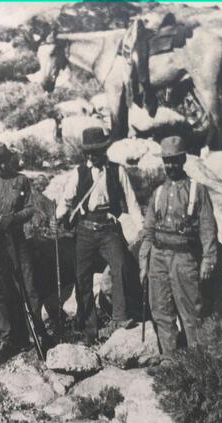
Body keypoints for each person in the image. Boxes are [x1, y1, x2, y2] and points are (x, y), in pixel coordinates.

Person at [55, 127, 142, 342]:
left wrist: (142, 230)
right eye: (89, 152)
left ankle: (120, 316)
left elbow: (132, 202)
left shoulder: (117, 170)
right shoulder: (78, 173)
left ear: (104, 150)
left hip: (109, 228)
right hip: (85, 230)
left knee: (120, 265)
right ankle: (88, 328)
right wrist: (58, 216)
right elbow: (66, 200)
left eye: (97, 151)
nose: (92, 156)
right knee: (82, 277)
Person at [138, 135, 219, 354]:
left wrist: (208, 261)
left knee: (191, 311)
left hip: (184, 258)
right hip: (158, 256)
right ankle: (169, 359)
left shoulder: (197, 190)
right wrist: (144, 263)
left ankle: (196, 360)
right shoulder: (158, 193)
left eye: (174, 160)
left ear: (183, 160)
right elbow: (148, 231)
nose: (170, 165)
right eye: (167, 161)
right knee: (161, 310)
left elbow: (208, 228)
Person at [0, 142, 52, 359]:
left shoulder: (21, 180)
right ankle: (8, 337)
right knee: (1, 291)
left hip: (18, 240)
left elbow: (31, 208)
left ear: (9, 160)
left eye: (2, 161)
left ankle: (35, 331)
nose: (0, 166)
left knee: (28, 286)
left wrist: (14, 218)